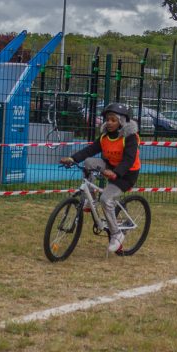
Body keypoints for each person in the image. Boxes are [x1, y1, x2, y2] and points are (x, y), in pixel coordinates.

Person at [60, 103, 141, 253]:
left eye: (113, 120)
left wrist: (116, 173)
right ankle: (90, 199)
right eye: (107, 119)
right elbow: (91, 149)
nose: (109, 122)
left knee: (106, 199)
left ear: (121, 122)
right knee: (89, 162)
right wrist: (73, 159)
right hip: (111, 168)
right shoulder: (105, 137)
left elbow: (129, 159)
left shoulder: (130, 138)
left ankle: (116, 235)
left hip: (126, 175)